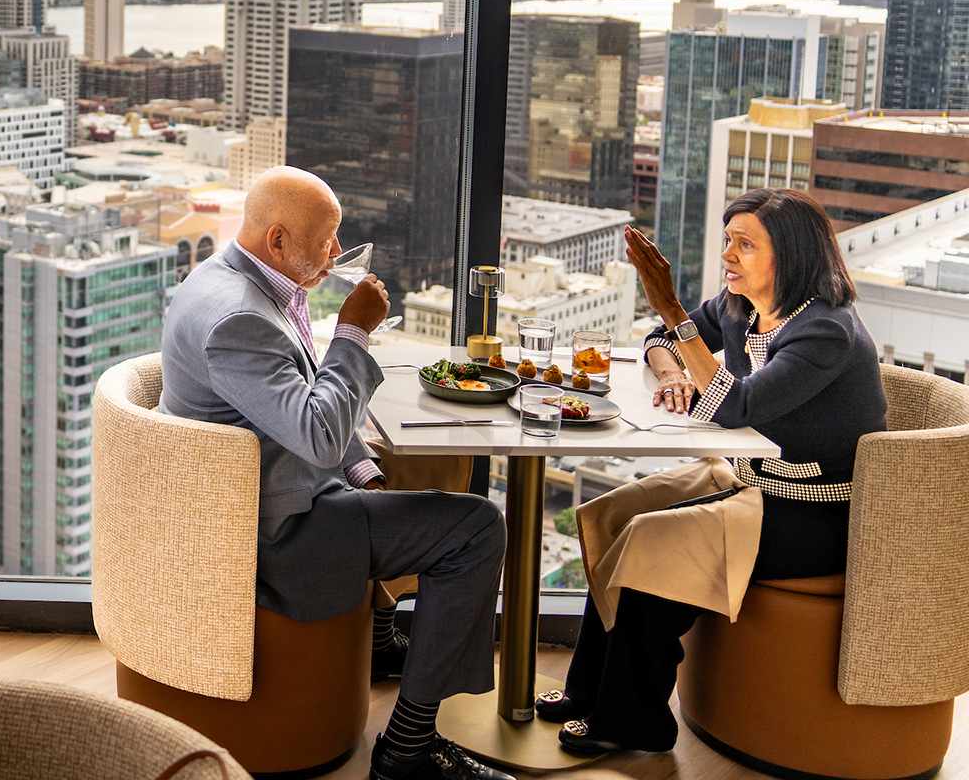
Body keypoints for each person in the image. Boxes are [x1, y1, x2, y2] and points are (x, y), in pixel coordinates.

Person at [160, 167, 512, 780]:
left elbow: (299, 397)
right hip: (276, 533)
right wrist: (353, 331)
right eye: (326, 240)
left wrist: (364, 470)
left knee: (423, 465)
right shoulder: (237, 319)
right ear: (277, 240)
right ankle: (408, 750)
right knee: (478, 527)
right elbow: (317, 433)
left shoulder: (240, 280)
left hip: (275, 488)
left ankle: (379, 643)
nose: (337, 252)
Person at [542, 188, 888, 755]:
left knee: (652, 541)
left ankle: (634, 721)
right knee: (615, 514)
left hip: (813, 516)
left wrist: (673, 310)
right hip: (748, 484)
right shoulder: (740, 306)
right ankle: (588, 692)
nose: (727, 254)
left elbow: (735, 406)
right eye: (728, 240)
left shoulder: (826, 330)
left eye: (745, 244)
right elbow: (661, 342)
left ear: (791, 254)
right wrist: (674, 373)